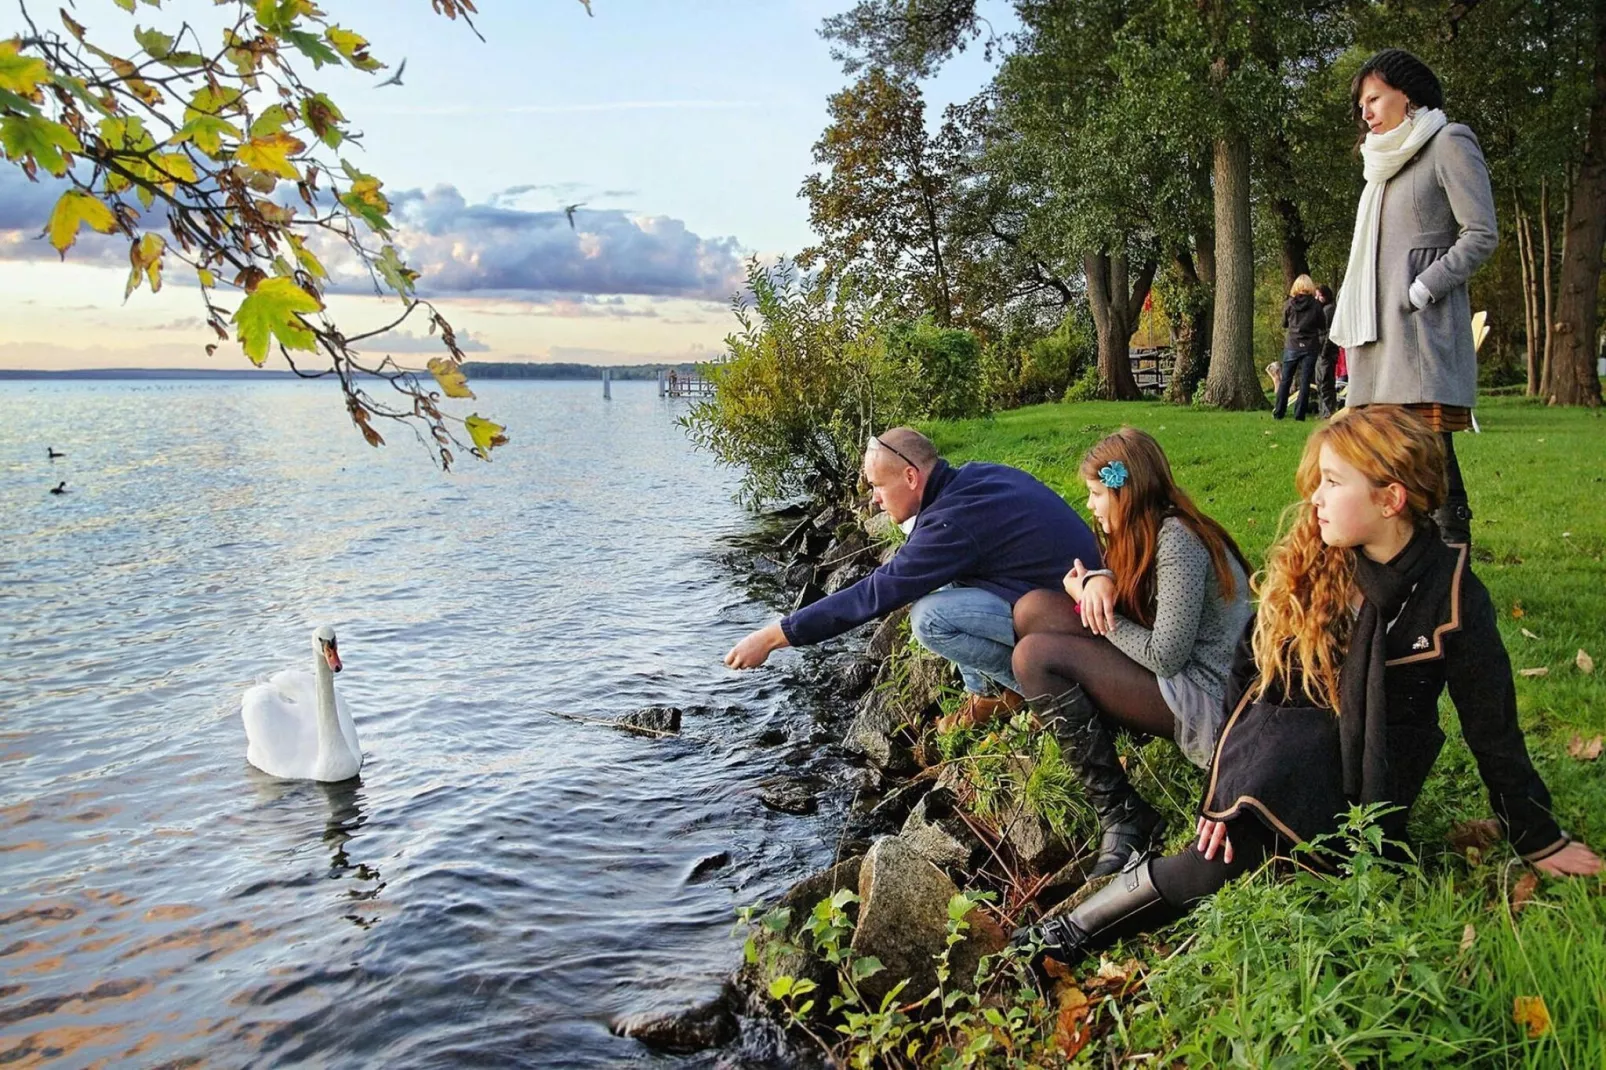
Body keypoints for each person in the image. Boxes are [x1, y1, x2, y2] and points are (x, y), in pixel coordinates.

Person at [1011, 407, 1601, 970]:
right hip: (1282, 748)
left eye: (1332, 482)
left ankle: (1061, 937)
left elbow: (1492, 725)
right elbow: (1254, 685)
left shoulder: (1450, 596)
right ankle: (1058, 939)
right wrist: (1231, 787)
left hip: (1364, 772)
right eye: (1316, 481)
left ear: (1390, 498)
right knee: (1211, 856)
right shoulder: (1315, 561)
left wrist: (1536, 834)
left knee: (1215, 862)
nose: (1314, 497)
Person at [725, 428, 1100, 726]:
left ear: (910, 476)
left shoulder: (951, 523)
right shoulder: (973, 478)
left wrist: (774, 636)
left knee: (929, 618)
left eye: (877, 485)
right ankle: (988, 696)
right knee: (940, 580)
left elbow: (874, 595)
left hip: (1073, 616)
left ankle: (1049, 695)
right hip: (1073, 595)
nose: (873, 498)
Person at [1010, 429, 1253, 878]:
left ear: (1126, 490)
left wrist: (1091, 609)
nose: (1090, 505)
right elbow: (1135, 595)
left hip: (1212, 699)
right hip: (1177, 674)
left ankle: (1122, 813)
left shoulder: (1179, 538)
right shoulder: (1144, 527)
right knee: (1032, 611)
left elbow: (1165, 656)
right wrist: (1098, 579)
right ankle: (1108, 754)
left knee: (1033, 658)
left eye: (1097, 493)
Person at [1329, 48, 1497, 546]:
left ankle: (1454, 560)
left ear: (1409, 94)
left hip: (1421, 334)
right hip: (1377, 338)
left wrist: (1424, 287)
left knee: (1430, 453)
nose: (1366, 111)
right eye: (1362, 103)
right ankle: (1403, 561)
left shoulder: (1448, 142)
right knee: (1382, 458)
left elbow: (1481, 233)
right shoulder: (1379, 166)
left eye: (1374, 98)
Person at [1274, 274, 1327, 421]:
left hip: (1292, 344)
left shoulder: (1289, 304)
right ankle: (1299, 414)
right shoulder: (1316, 306)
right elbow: (1322, 325)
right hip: (1310, 346)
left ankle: (1279, 411)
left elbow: (1284, 323)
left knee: (1286, 380)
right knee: (1305, 382)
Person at [1313, 284, 1341, 418]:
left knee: (1325, 383)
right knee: (1320, 383)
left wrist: (1324, 351)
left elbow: (1329, 334)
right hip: (1320, 351)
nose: (1317, 298)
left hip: (1327, 352)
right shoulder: (1323, 310)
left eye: (1320, 295)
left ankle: (1329, 412)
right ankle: (1322, 411)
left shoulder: (1329, 310)